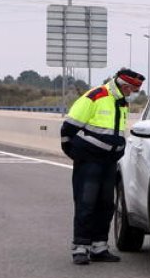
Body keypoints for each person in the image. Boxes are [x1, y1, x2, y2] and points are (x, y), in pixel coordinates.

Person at [60, 68, 144, 265]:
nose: (133, 93)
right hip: (89, 162)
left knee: (106, 205)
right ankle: (80, 248)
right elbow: (68, 128)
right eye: (132, 89)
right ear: (124, 85)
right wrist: (77, 154)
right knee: (86, 203)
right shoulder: (96, 96)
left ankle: (99, 247)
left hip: (109, 162)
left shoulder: (121, 102)